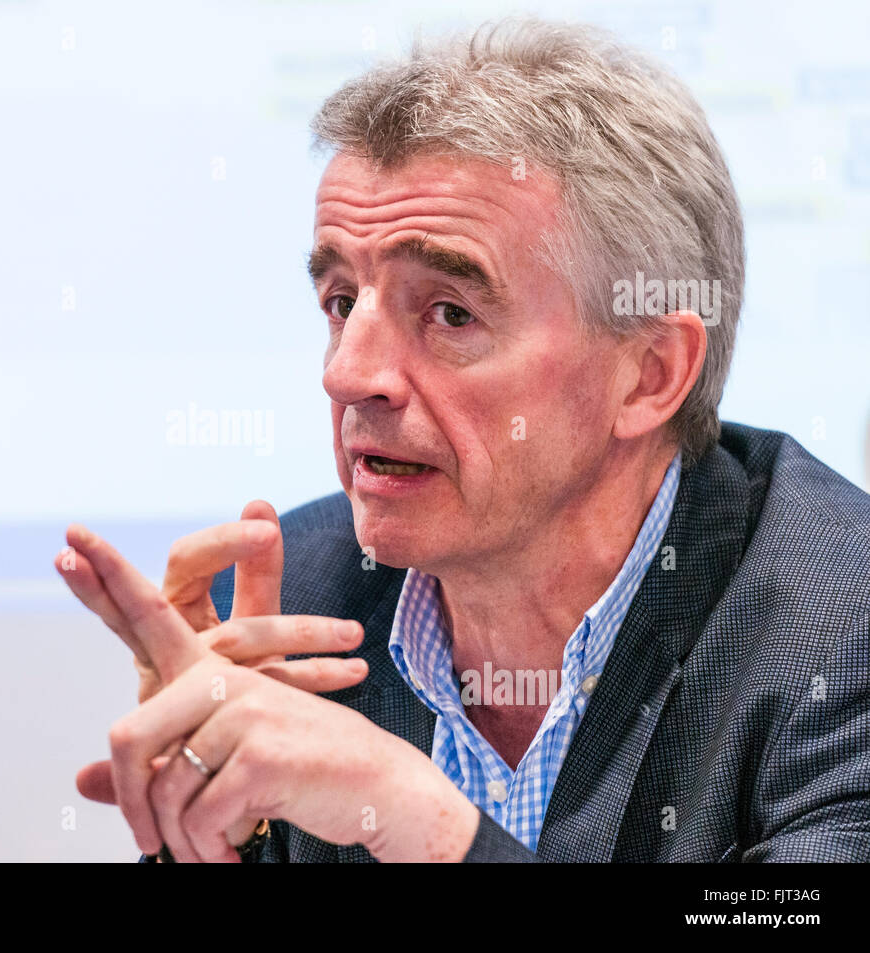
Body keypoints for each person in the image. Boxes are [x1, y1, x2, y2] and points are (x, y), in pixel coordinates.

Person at [55, 18, 870, 862]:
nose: (349, 374)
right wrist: (204, 837)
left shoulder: (840, 631)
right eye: (342, 302)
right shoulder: (295, 599)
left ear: (650, 374)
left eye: (450, 312)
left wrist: (420, 822)